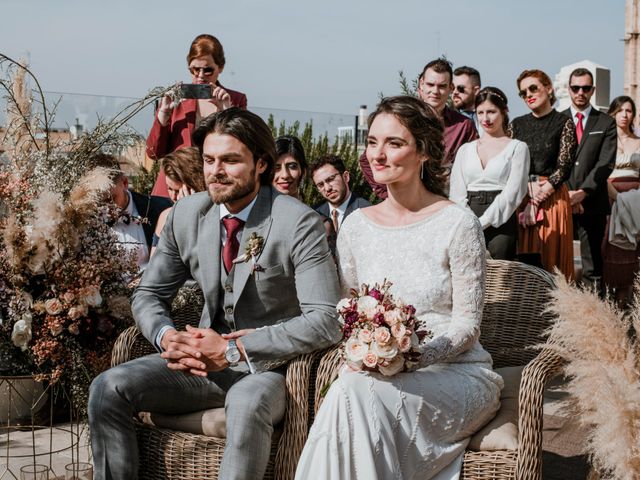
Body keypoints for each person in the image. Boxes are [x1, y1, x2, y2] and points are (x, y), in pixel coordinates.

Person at [88, 108, 342, 480]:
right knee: (107, 387)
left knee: (244, 401)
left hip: (270, 368)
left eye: (230, 160)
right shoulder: (186, 215)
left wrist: (233, 350)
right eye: (208, 160)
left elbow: (325, 320)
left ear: (261, 164)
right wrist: (166, 336)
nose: (215, 170)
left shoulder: (298, 222)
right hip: (196, 366)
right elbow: (148, 294)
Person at [295, 96, 503, 479]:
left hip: (455, 374)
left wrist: (411, 357)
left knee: (351, 399)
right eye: (372, 142)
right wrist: (370, 355)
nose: (378, 154)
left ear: (423, 151)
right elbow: (350, 313)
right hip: (374, 377)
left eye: (394, 143)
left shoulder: (458, 224)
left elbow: (467, 326)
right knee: (348, 393)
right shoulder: (355, 227)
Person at [359, 58, 478, 199]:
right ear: (421, 84)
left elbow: (474, 167)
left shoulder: (463, 126)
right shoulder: (400, 119)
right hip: (405, 202)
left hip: (446, 202)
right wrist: (387, 194)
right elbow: (366, 160)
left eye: (442, 86)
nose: (435, 91)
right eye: (430, 84)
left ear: (451, 88)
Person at [146, 34, 247, 198]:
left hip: (211, 186)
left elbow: (241, 150)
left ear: (220, 68)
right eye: (194, 69)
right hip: (173, 186)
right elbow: (154, 153)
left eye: (207, 70)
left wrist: (227, 113)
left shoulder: (235, 100)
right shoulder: (175, 99)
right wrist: (162, 118)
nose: (200, 76)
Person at [510, 69, 577, 279]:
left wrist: (538, 197)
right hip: (522, 195)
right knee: (524, 262)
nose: (528, 94)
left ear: (548, 89)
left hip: (552, 197)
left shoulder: (563, 123)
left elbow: (564, 167)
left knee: (552, 260)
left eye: (533, 88)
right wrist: (527, 189)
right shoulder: (517, 125)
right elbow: (510, 164)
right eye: (523, 92)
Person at [450, 87, 530, 260]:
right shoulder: (465, 150)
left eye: (491, 112)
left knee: (499, 278)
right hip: (467, 215)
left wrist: (483, 221)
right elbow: (456, 192)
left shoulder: (517, 147)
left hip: (501, 218)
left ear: (504, 111)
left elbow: (514, 192)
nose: (485, 118)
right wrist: (469, 221)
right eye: (480, 112)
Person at [562, 68, 617, 292]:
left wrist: (582, 193)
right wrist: (567, 195)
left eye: (585, 88)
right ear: (569, 89)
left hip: (593, 204)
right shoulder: (557, 121)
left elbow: (605, 163)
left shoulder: (605, 122)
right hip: (561, 203)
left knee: (592, 267)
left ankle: (592, 319)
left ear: (593, 90)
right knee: (559, 265)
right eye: (576, 88)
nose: (580, 92)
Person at [95, 153, 171, 271]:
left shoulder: (161, 208)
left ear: (125, 183)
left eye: (111, 199)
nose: (106, 207)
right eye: (99, 202)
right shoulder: (85, 223)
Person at [602, 96, 640, 307]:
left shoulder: (639, 142)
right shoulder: (606, 142)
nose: (624, 115)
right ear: (613, 114)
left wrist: (629, 199)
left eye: (629, 110)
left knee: (633, 250)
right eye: (620, 110)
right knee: (608, 246)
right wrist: (616, 197)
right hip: (609, 198)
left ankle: (628, 300)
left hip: (636, 202)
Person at [151, 146, 207, 255]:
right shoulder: (165, 217)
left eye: (178, 191)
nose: (173, 196)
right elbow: (155, 263)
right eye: (169, 189)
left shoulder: (215, 216)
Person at [310, 154, 371, 233]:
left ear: (346, 177)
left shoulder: (367, 211)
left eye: (331, 179)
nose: (327, 188)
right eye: (320, 185)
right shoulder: (314, 214)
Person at [452, 66, 483, 135]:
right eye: (452, 88)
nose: (455, 92)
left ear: (476, 90)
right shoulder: (446, 118)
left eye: (460, 88)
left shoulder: (488, 117)